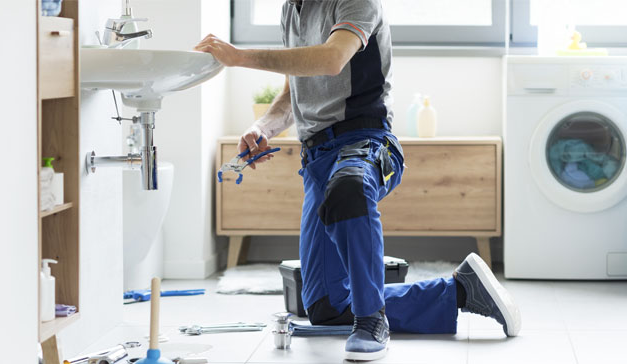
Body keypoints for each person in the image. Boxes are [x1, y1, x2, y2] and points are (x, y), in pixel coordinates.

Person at [196, 0, 521, 360]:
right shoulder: (292, 9)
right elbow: (294, 91)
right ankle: (462, 291)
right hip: (316, 159)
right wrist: (262, 127)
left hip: (366, 141)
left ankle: (371, 320)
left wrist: (239, 57)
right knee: (325, 305)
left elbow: (332, 58)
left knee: (349, 188)